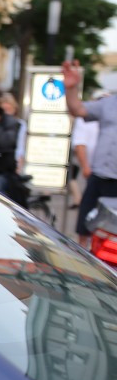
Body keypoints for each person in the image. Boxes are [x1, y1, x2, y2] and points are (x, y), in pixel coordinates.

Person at [62, 59, 117, 247]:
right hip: (98, 176)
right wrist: (71, 88)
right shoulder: (108, 103)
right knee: (85, 226)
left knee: (110, 235)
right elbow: (77, 109)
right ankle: (86, 266)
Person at [70, 115, 99, 212]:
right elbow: (79, 146)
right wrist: (85, 167)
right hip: (94, 172)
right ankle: (78, 199)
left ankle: (77, 199)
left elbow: (79, 145)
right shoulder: (83, 120)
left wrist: (85, 167)